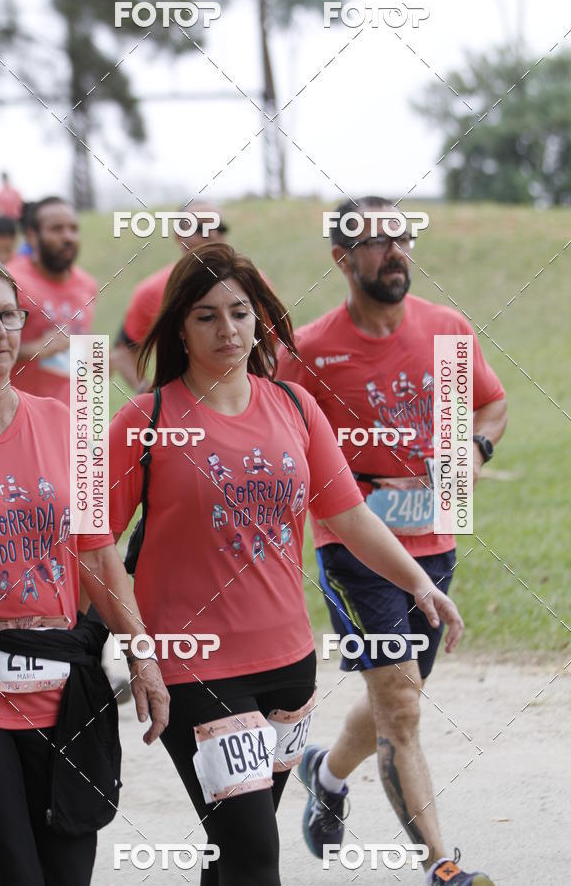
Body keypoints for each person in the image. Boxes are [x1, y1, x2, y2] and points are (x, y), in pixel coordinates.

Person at [107, 242, 465, 886]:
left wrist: (417, 582)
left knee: (235, 850)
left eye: (241, 313)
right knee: (254, 856)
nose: (228, 330)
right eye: (206, 316)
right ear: (179, 328)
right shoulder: (146, 422)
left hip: (289, 666)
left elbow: (350, 516)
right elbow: (94, 544)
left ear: (260, 319)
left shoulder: (295, 408)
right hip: (197, 666)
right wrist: (138, 650)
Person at [278, 196, 507, 886]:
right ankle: (444, 867)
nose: (394, 251)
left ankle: (325, 772)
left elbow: (491, 404)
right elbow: (273, 435)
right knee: (402, 709)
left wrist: (475, 448)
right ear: (342, 259)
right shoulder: (311, 351)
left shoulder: (447, 329)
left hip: (435, 538)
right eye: (375, 242)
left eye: (401, 238)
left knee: (394, 695)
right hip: (356, 548)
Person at [0, 254, 169, 886]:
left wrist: (143, 655)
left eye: (8, 314)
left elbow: (97, 554)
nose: (0, 331)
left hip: (67, 688)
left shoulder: (65, 423)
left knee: (68, 872)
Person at [111, 201, 229, 391]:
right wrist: (147, 394)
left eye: (219, 228)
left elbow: (276, 345)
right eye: (201, 228)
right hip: (183, 411)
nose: (213, 235)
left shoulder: (253, 283)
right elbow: (123, 351)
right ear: (178, 236)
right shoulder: (154, 290)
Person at [5, 196, 98, 404]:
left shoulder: (88, 284)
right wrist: (33, 349)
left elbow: (79, 350)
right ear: (32, 236)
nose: (68, 237)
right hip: (19, 417)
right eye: (56, 229)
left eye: (73, 229)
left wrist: (97, 361)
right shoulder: (8, 281)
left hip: (75, 421)